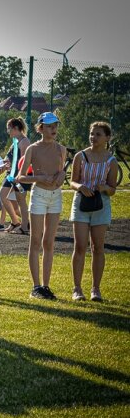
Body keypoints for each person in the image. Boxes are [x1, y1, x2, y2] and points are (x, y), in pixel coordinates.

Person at [16, 112, 67, 300]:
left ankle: (46, 285)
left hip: (56, 196)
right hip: (38, 195)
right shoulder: (32, 149)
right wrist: (40, 178)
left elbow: (61, 175)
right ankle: (36, 287)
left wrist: (61, 177)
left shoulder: (61, 149)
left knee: (49, 242)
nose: (53, 129)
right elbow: (20, 177)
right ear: (40, 128)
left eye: (55, 125)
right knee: (35, 241)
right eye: (49, 126)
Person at [69, 121, 118, 302]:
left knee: (98, 247)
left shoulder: (111, 161)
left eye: (98, 134)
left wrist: (105, 187)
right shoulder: (80, 156)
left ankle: (95, 289)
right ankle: (77, 289)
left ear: (107, 138)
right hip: (81, 203)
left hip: (101, 206)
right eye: (91, 133)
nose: (93, 137)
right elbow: (72, 182)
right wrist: (80, 186)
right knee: (80, 246)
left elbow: (113, 189)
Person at [0, 118, 31, 234]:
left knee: (21, 201)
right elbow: (10, 158)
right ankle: (15, 222)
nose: (7, 131)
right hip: (11, 175)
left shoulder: (25, 142)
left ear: (15, 128)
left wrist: (19, 177)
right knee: (4, 196)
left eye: (8, 129)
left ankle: (25, 227)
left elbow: (26, 161)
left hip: (20, 176)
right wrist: (0, 164)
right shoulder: (15, 141)